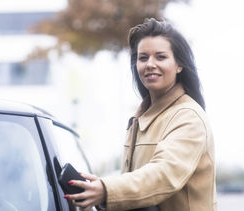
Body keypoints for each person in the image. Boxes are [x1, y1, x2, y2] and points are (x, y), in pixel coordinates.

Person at [65, 18, 217, 211]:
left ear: (179, 65)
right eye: (143, 58)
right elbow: (137, 187)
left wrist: (107, 190)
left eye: (160, 57)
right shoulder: (140, 118)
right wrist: (101, 187)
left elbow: (163, 174)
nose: (150, 64)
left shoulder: (188, 116)